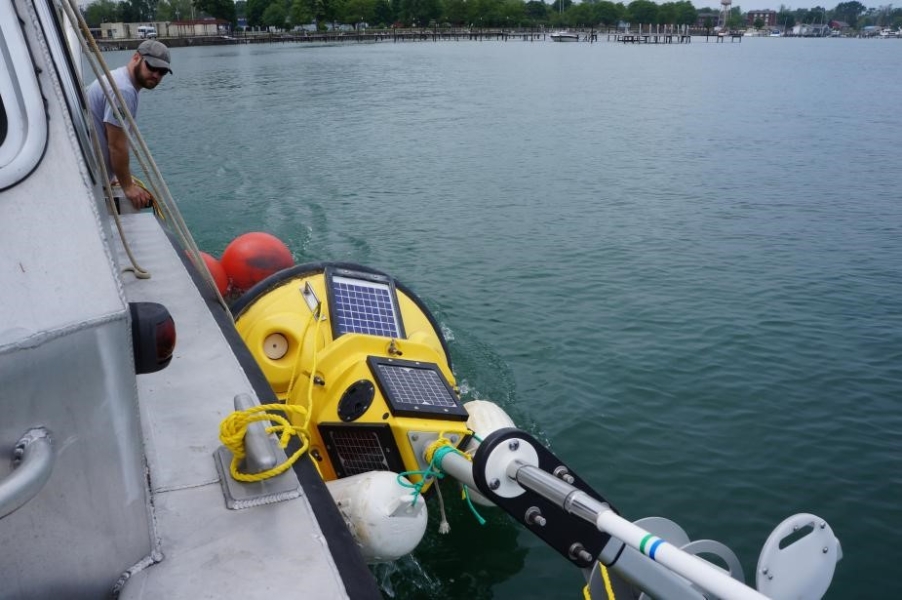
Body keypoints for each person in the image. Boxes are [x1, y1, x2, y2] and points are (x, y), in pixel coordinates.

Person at [86, 39, 172, 210]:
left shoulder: (119, 80)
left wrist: (115, 176)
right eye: (152, 67)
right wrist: (128, 186)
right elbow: (116, 145)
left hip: (96, 177)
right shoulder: (123, 89)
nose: (156, 75)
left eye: (161, 71)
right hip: (91, 183)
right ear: (136, 57)